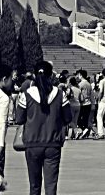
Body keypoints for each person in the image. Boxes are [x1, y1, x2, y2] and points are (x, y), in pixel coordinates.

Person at [15, 59, 72, 195]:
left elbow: (19, 119)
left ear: (34, 75)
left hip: (32, 144)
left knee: (34, 186)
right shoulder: (59, 94)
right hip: (53, 144)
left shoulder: (26, 95)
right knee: (51, 186)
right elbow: (68, 117)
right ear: (51, 75)